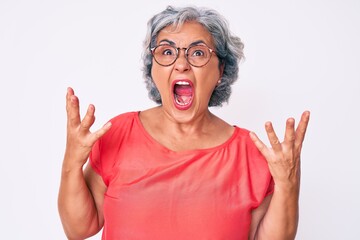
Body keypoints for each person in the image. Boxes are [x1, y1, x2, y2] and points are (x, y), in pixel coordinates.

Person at [58, 5, 310, 240]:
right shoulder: (119, 133)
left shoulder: (250, 154)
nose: (181, 64)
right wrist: (72, 161)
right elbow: (78, 228)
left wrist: (288, 185)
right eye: (167, 52)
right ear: (152, 69)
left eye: (198, 53)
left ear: (220, 70)